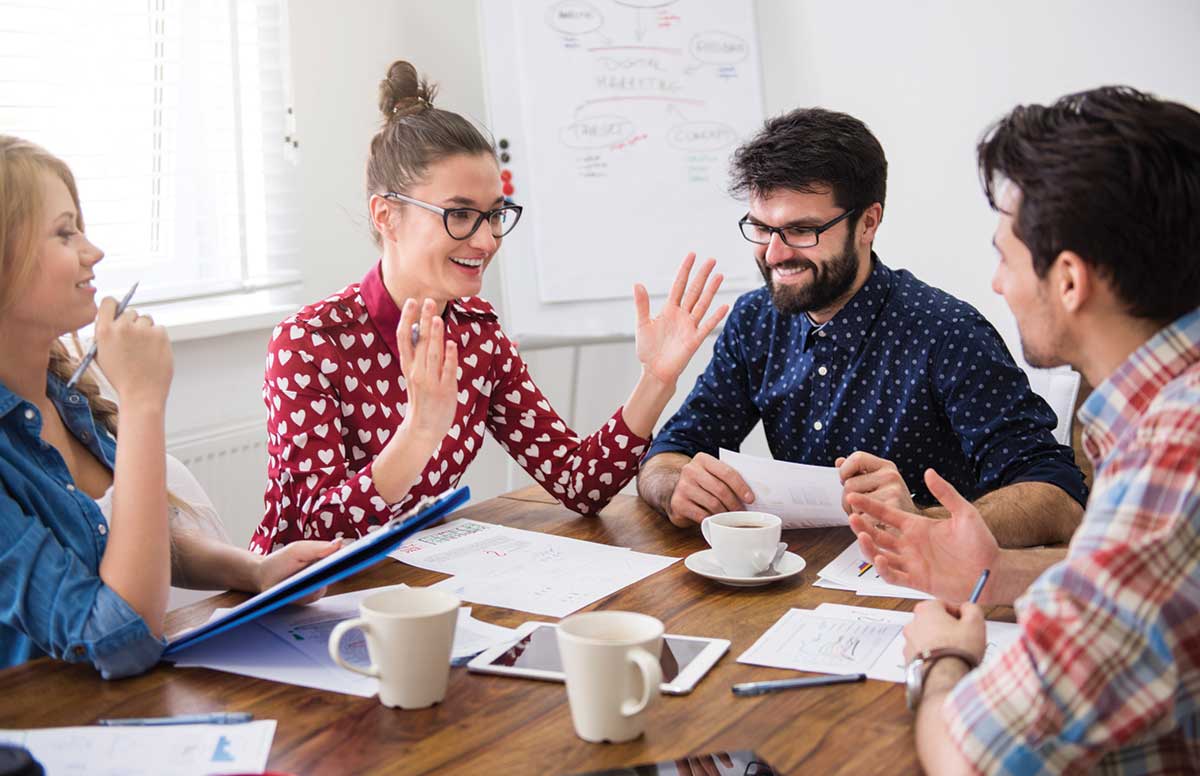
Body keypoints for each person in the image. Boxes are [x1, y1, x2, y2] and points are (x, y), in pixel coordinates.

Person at [848, 87, 1200, 772]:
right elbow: (1146, 578)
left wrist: (940, 659)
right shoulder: (1164, 412)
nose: (997, 284)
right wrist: (999, 572)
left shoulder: (1172, 458)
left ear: (1068, 281)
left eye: (1005, 258)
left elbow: (974, 758)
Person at [250, 61, 727, 553]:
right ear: (386, 216)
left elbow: (579, 482)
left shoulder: (477, 333)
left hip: (421, 580)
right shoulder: (309, 343)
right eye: (460, 214)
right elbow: (315, 531)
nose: (486, 240)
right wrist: (418, 433)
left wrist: (656, 380)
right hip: (308, 593)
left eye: (495, 214)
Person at [636, 107, 1087, 547]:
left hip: (925, 585)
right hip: (799, 578)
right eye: (761, 228)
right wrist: (675, 484)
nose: (774, 254)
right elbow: (669, 454)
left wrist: (923, 524)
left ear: (867, 223)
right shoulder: (756, 320)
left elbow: (1059, 499)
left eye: (802, 231)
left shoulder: (947, 332)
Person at [0, 136, 340, 678]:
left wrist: (256, 571)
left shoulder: (61, 396)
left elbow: (131, 543)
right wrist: (142, 403)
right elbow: (124, 638)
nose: (93, 252)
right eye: (65, 233)